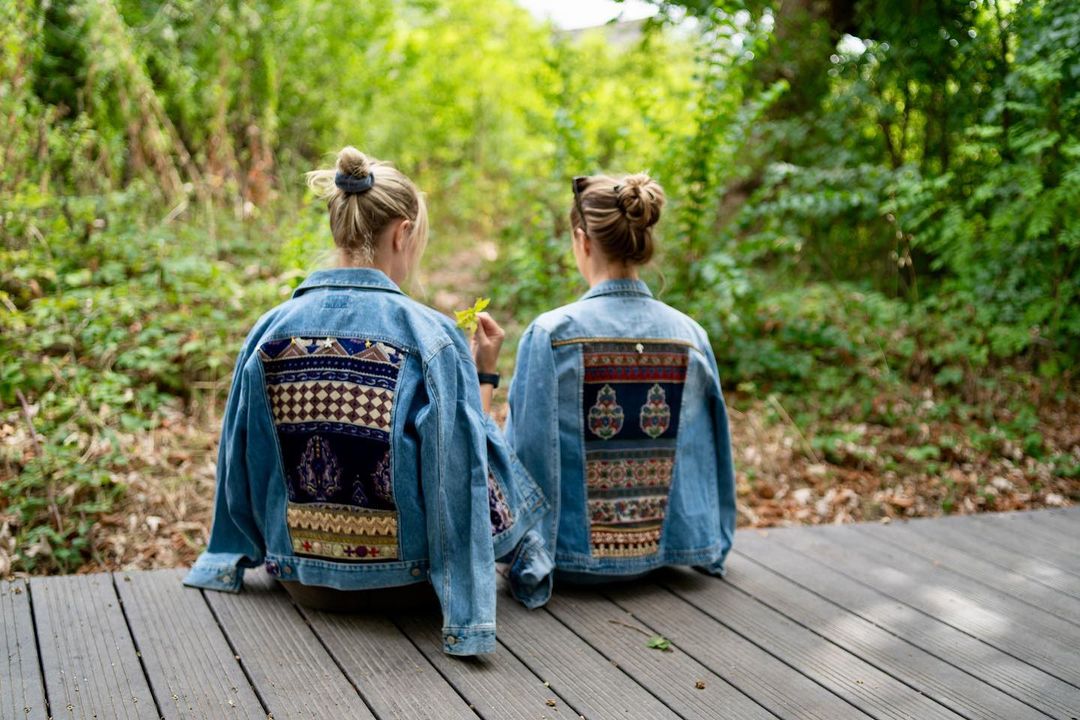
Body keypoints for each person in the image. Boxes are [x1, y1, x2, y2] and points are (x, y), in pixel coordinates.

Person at [184, 147, 546, 656]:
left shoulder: (267, 332)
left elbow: (238, 462)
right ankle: (536, 556)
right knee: (488, 443)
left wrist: (230, 556)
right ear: (401, 232)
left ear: (338, 230)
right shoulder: (431, 336)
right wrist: (482, 374)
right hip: (405, 589)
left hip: (300, 582)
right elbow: (458, 478)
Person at [504, 173, 736, 608]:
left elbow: (526, 451)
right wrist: (713, 543)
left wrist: (527, 563)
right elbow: (711, 448)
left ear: (582, 239)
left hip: (572, 563)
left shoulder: (552, 334)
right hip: (671, 558)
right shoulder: (690, 334)